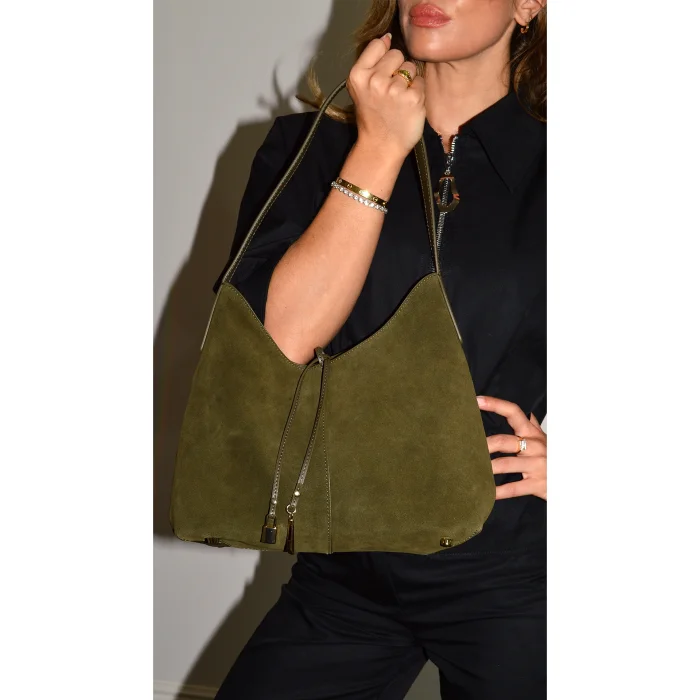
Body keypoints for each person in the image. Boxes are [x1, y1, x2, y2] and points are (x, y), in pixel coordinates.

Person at [212, 1, 547, 697]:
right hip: (344, 569)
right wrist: (380, 149)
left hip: (519, 573)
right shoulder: (308, 151)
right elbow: (282, 340)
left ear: (528, 5)